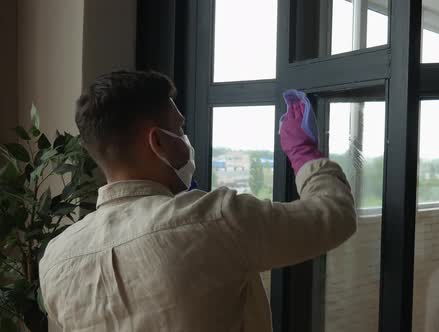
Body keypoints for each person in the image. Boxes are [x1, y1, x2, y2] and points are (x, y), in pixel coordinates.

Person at [39, 70, 357, 331]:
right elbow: (333, 215)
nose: (186, 139)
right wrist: (304, 154)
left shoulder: (56, 258)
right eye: (181, 128)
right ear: (159, 142)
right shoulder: (214, 221)